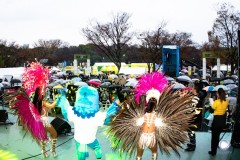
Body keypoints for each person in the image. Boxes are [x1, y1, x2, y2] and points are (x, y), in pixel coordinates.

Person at [32, 87, 58, 158]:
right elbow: (51, 106)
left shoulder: (36, 102)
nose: (45, 91)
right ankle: (52, 150)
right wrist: (59, 98)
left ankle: (43, 151)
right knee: (54, 134)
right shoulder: (42, 102)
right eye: (43, 91)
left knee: (44, 137)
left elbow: (46, 110)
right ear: (40, 93)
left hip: (39, 122)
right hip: (44, 121)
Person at [208, 88, 228, 156]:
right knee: (217, 136)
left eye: (217, 93)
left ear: (218, 94)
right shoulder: (226, 101)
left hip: (216, 121)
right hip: (222, 121)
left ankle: (213, 151)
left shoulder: (216, 102)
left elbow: (211, 110)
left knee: (214, 137)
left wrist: (211, 103)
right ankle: (215, 149)